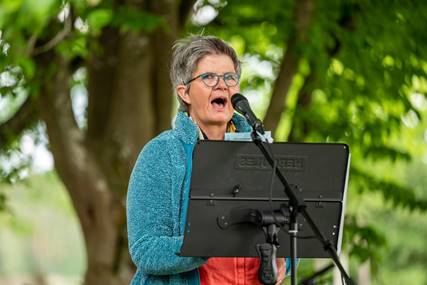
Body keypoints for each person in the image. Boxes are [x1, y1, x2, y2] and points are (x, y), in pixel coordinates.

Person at [127, 35, 289, 285]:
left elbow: (289, 231)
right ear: (185, 93)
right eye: (209, 77)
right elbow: (145, 249)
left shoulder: (264, 151)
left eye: (229, 77)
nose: (222, 85)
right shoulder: (160, 154)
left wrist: (284, 260)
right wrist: (210, 240)